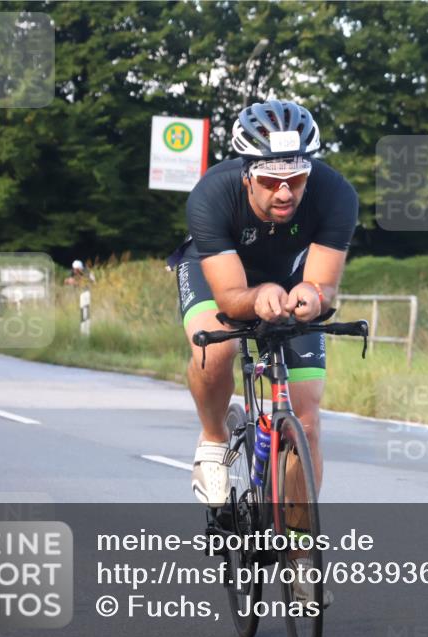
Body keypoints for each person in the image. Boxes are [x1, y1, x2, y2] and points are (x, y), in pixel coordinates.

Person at [171, 100, 357, 604]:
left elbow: (324, 284)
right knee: (213, 349)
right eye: (271, 180)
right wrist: (257, 298)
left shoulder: (336, 194)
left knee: (308, 418)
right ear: (246, 174)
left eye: (295, 178)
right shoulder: (212, 195)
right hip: (220, 277)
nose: (284, 191)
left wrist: (313, 296)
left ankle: (299, 552)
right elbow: (232, 298)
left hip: (291, 279)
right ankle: (212, 440)